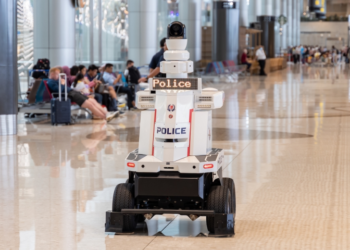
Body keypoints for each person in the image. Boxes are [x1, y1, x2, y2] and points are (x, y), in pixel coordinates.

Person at [47, 67, 117, 122]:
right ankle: (105, 117)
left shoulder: (56, 81)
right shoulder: (51, 82)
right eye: (57, 74)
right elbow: (59, 91)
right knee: (90, 105)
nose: (59, 76)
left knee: (92, 101)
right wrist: (62, 84)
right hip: (69, 95)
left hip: (72, 92)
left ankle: (107, 113)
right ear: (52, 74)